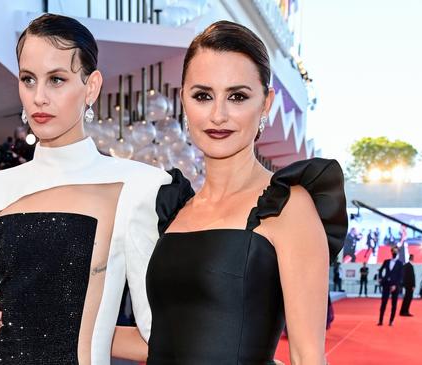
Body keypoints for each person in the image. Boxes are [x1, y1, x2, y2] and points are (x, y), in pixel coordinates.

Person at [0, 14, 171, 364]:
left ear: (91, 87)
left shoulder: (140, 186)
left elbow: (159, 336)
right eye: (28, 79)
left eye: (57, 79)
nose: (39, 97)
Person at [144, 21, 347, 364]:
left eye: (237, 96)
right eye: (203, 96)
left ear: (266, 103)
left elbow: (308, 356)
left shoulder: (286, 206)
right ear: (183, 100)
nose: (218, 115)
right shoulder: (175, 209)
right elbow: (168, 339)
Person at [378, 247, 403, 326]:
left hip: (395, 286)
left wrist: (395, 285)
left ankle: (391, 321)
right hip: (386, 284)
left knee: (394, 304)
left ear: (398, 252)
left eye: (396, 251)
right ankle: (380, 320)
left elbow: (400, 276)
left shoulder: (400, 263)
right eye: (393, 251)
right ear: (391, 252)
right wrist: (381, 278)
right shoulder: (386, 261)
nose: (394, 253)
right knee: (383, 302)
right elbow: (381, 270)